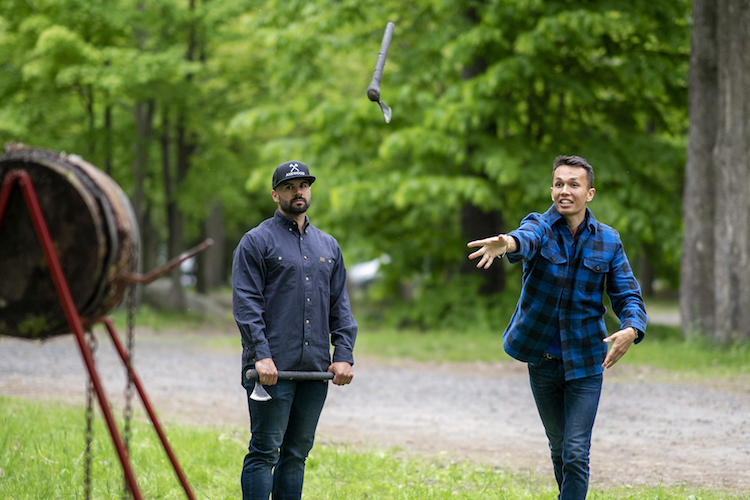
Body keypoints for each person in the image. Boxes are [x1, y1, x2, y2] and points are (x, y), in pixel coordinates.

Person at [467, 155, 647, 500]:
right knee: (560, 447)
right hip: (543, 359)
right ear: (552, 189)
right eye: (559, 184)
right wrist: (506, 243)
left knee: (577, 452)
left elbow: (628, 295)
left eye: (574, 184)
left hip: (586, 360)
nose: (565, 190)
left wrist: (631, 329)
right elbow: (525, 239)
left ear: (589, 193)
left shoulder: (609, 240)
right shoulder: (539, 226)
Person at [232, 160, 358, 500]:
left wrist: (343, 355)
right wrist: (261, 356)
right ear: (275, 195)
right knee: (265, 452)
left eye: (303, 185)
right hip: (272, 370)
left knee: (297, 454)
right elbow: (246, 305)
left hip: (315, 371)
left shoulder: (328, 246)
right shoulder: (255, 242)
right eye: (289, 186)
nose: (297, 191)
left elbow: (340, 307)